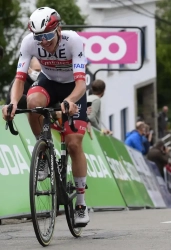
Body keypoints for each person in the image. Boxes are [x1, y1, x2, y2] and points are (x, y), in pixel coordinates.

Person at [2, 7, 89, 226]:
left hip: (73, 88)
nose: (44, 42)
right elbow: (20, 79)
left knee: (74, 144)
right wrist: (12, 103)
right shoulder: (29, 42)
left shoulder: (73, 41)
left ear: (58, 29)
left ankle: (80, 202)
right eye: (39, 37)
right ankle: (43, 152)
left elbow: (81, 83)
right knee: (32, 103)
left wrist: (69, 101)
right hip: (48, 82)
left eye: (48, 36)